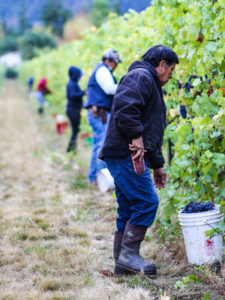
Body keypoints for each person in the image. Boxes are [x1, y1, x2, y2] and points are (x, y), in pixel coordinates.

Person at [99, 45, 179, 276]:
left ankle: (123, 262)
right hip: (127, 154)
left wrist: (158, 165)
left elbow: (151, 130)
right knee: (147, 201)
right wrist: (136, 137)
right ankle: (128, 256)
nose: (170, 76)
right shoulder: (141, 76)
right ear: (162, 64)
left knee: (128, 207)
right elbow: (125, 108)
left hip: (125, 153)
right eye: (171, 70)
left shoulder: (147, 81)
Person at [84, 49, 121, 184]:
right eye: (115, 63)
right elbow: (110, 88)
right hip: (100, 115)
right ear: (108, 60)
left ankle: (94, 178)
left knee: (98, 146)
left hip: (99, 114)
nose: (115, 66)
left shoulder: (101, 69)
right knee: (102, 147)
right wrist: (127, 86)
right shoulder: (102, 70)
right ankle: (101, 180)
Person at [66, 66, 86, 153]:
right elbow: (73, 95)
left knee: (76, 129)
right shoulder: (71, 84)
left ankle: (72, 148)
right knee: (75, 129)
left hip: (74, 109)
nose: (79, 77)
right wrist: (83, 92)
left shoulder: (73, 83)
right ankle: (71, 149)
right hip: (72, 109)